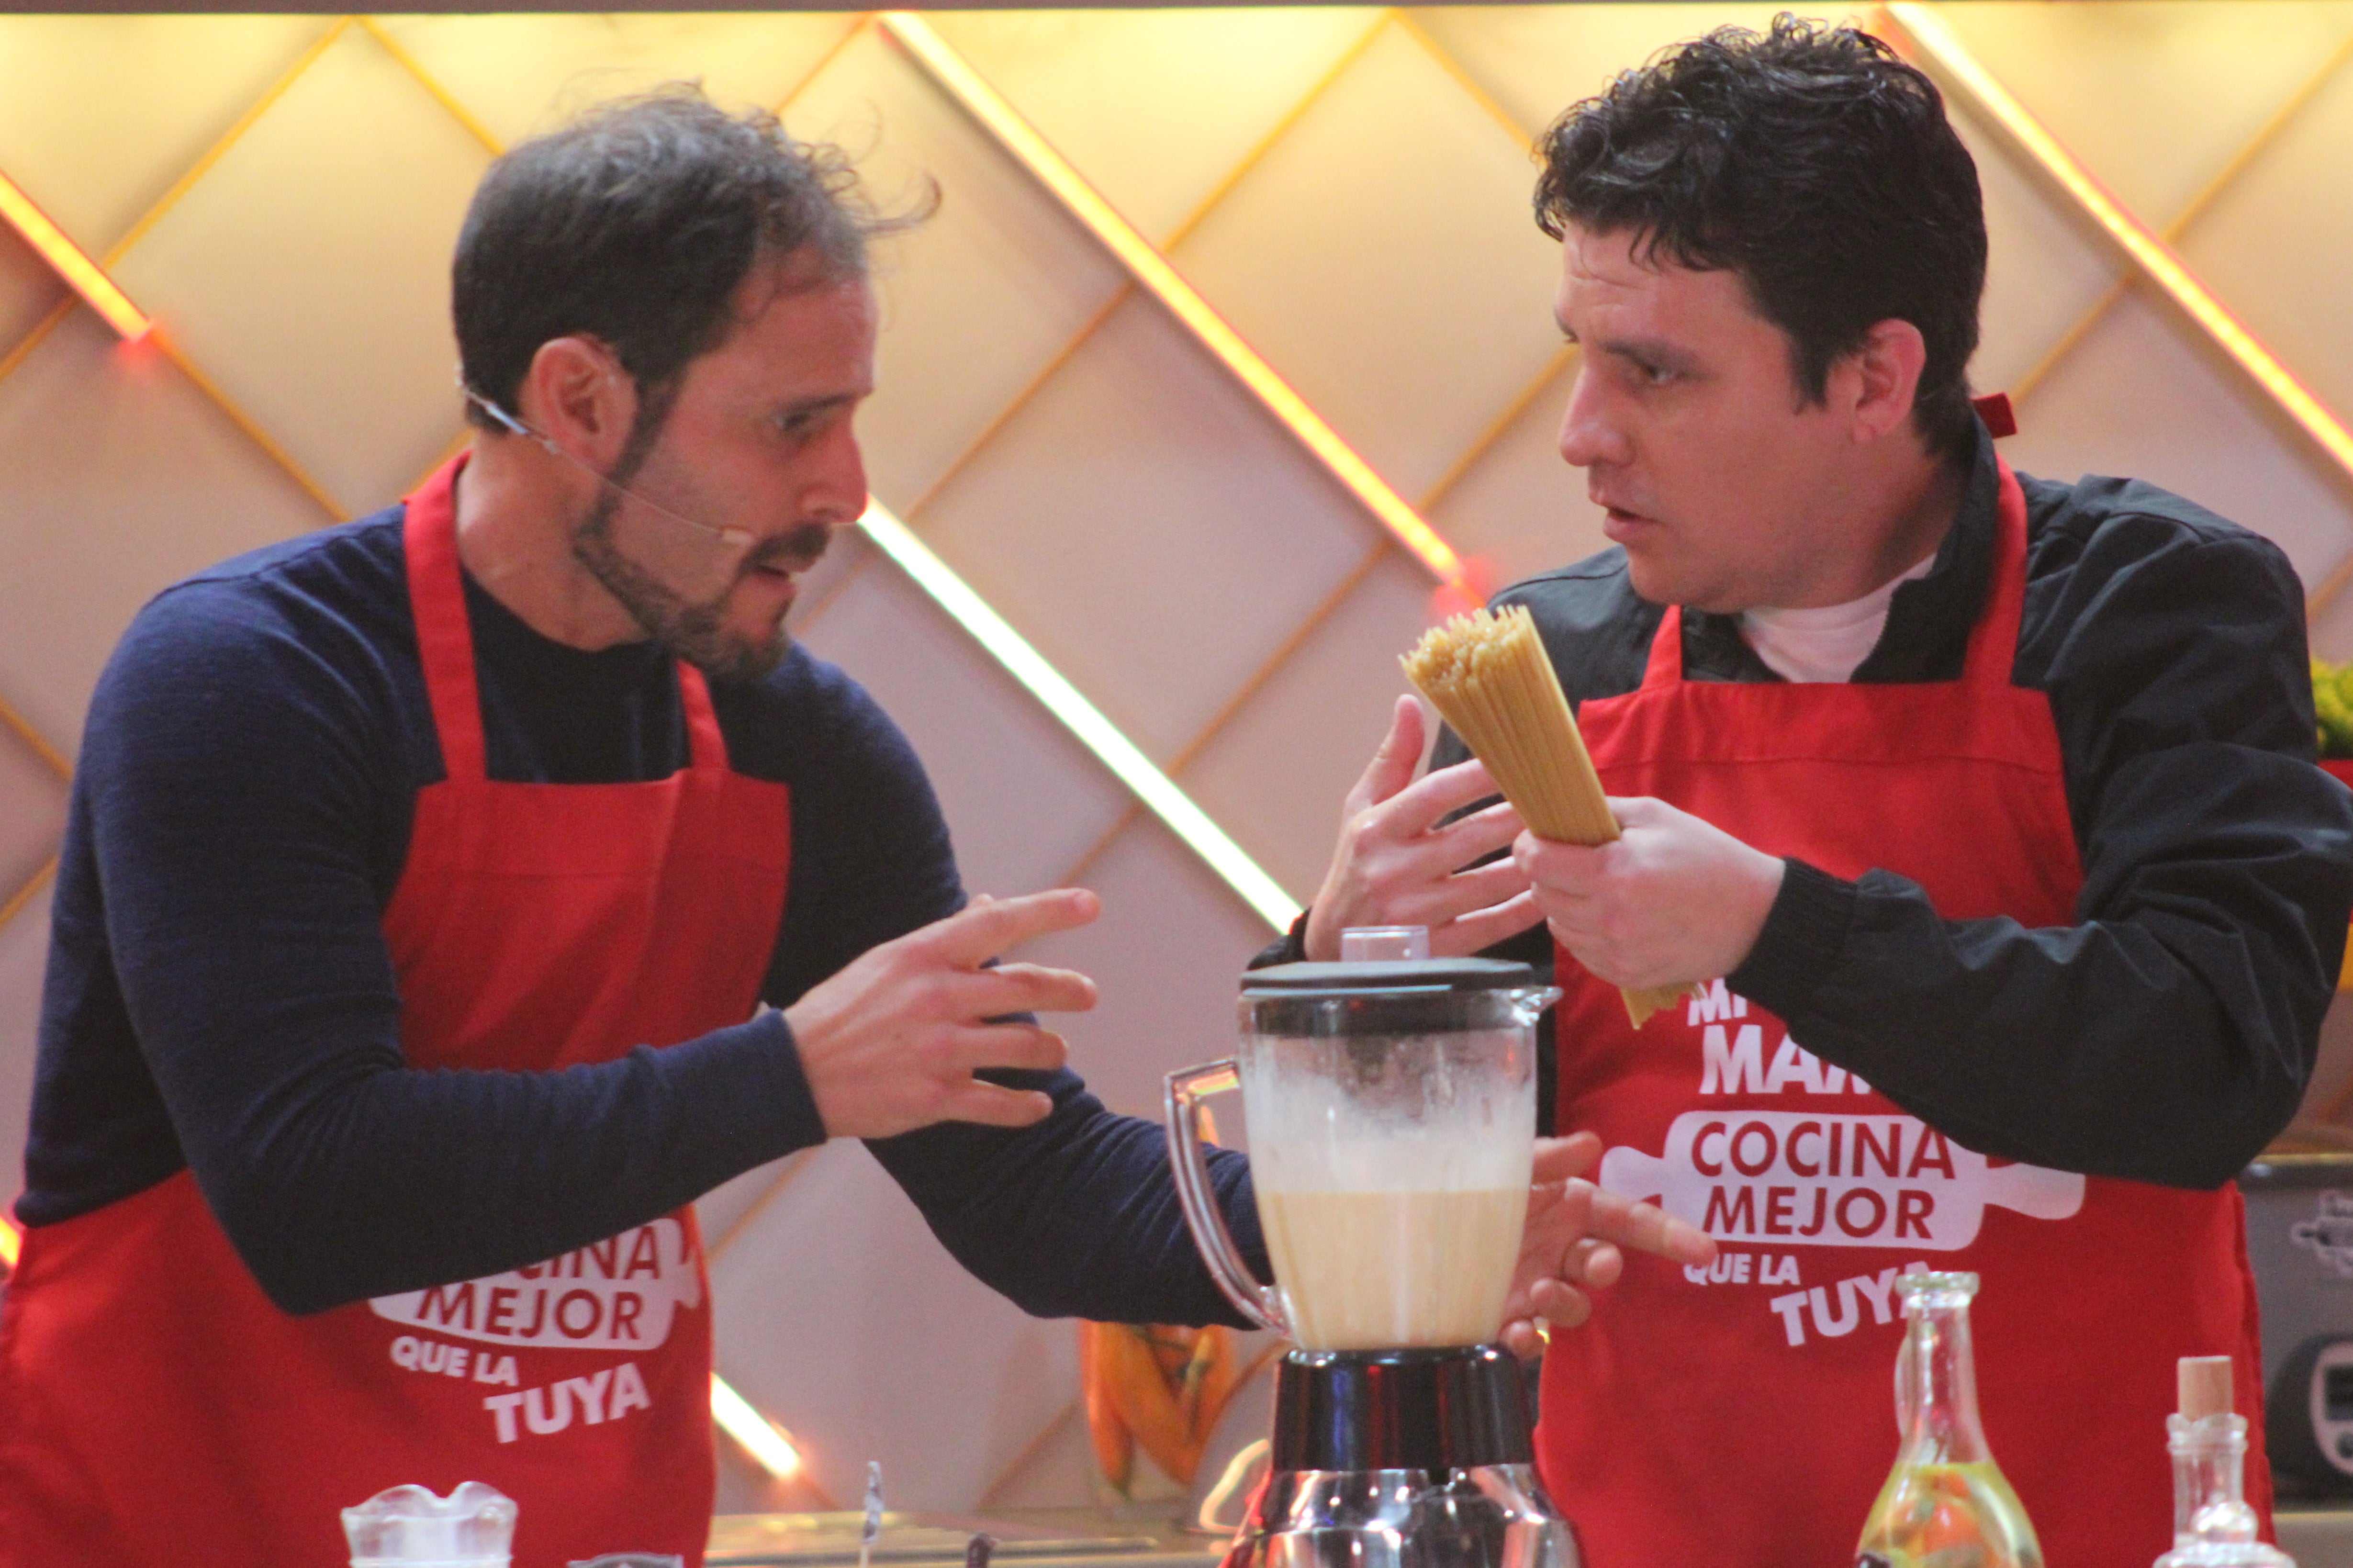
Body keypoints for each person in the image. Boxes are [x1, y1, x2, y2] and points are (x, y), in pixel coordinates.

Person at [0, 89, 1703, 1568]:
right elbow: (313, 1189)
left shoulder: (793, 745)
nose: (848, 491)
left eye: (853, 416)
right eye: (792, 424)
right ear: (581, 400)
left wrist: (1404, 1240)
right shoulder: (253, 682)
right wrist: (791, 1072)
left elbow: (1031, 1195)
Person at [1277, 19, 2353, 1567]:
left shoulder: (2151, 612)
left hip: (2078, 1527)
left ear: (1871, 374)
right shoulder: (1553, 671)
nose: (1581, 435)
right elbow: (1392, 1192)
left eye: (1652, 372)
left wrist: (1772, 926)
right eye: (1580, 361)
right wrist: (1335, 967)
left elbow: (2206, 1058)